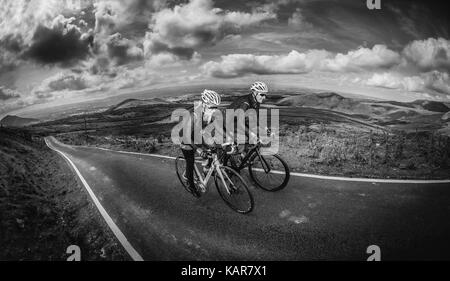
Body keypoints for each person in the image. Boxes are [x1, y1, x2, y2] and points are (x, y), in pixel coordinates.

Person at [180, 89, 226, 197]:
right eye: (212, 107)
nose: (214, 110)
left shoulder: (209, 113)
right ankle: (190, 184)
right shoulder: (193, 115)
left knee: (213, 148)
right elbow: (186, 137)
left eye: (216, 107)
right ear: (204, 104)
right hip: (186, 139)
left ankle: (206, 168)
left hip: (197, 134)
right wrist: (198, 149)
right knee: (190, 162)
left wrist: (228, 139)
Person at [227, 82, 269, 154]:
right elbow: (240, 123)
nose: (264, 97)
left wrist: (265, 128)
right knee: (244, 139)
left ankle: (245, 155)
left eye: (265, 95)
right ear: (254, 93)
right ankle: (236, 153)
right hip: (230, 121)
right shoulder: (245, 103)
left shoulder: (256, 102)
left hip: (240, 120)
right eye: (262, 94)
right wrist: (251, 134)